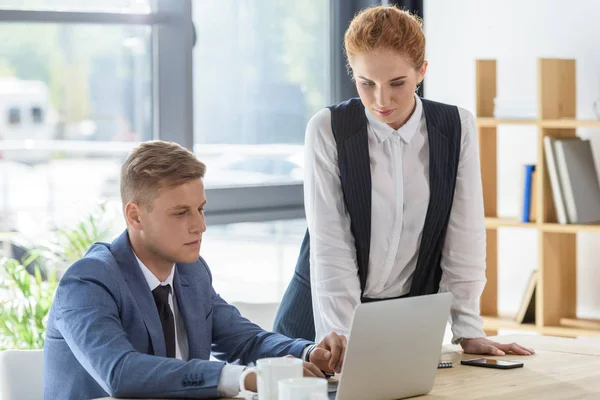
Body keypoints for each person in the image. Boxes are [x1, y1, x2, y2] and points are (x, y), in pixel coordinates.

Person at [273, 5, 534, 358]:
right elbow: (330, 243)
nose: (382, 100)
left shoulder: (455, 128)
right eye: (367, 83)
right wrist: (341, 335)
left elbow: (464, 234)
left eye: (398, 83)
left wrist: (468, 327)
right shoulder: (328, 129)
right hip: (318, 326)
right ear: (353, 74)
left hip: (405, 324)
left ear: (421, 72)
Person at [43, 141, 347, 400]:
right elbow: (120, 372)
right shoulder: (88, 281)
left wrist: (309, 353)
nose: (200, 226)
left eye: (200, 209)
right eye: (180, 213)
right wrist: (242, 378)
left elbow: (246, 341)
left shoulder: (192, 272)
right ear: (135, 216)